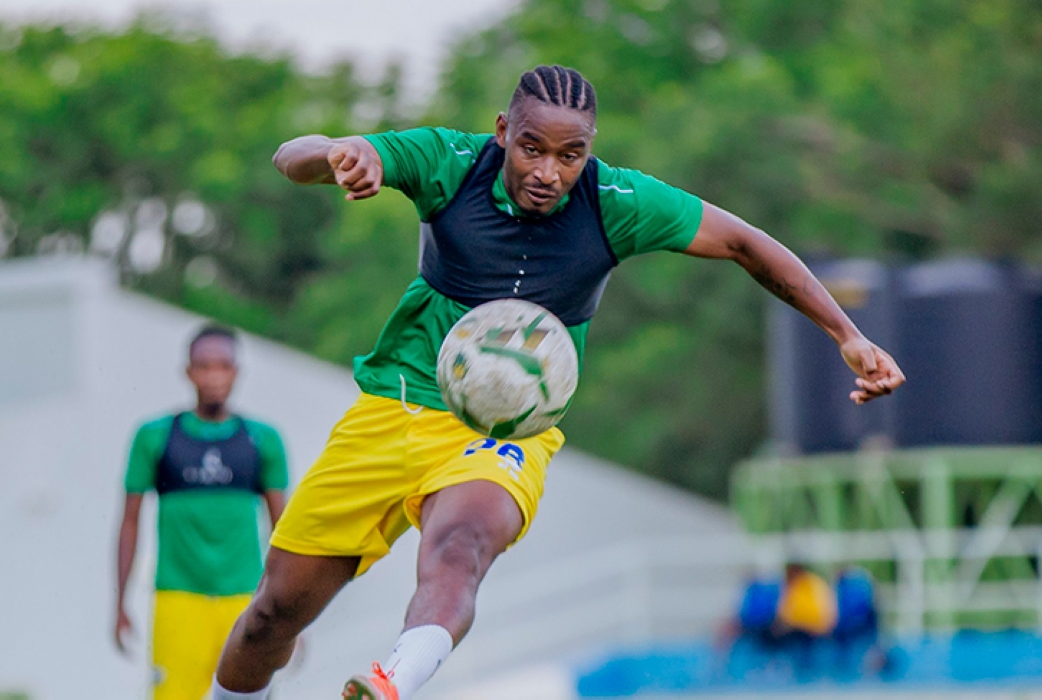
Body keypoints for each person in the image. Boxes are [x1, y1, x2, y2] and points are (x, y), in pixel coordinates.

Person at [211, 65, 906, 700]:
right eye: (532, 149)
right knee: (274, 615)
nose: (549, 171)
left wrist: (846, 333)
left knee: (460, 548)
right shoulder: (447, 162)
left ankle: (393, 680)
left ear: (589, 151)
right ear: (502, 133)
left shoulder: (616, 202)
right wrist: (341, 153)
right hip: (390, 409)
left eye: (570, 155)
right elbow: (292, 156)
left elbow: (746, 244)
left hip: (504, 432)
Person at [115, 325, 290, 700]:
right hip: (178, 599)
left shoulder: (261, 440)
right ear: (188, 372)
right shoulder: (156, 436)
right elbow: (129, 523)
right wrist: (120, 602)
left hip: (245, 599)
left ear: (236, 372)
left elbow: (286, 530)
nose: (214, 376)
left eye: (223, 366)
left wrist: (289, 611)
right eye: (204, 366)